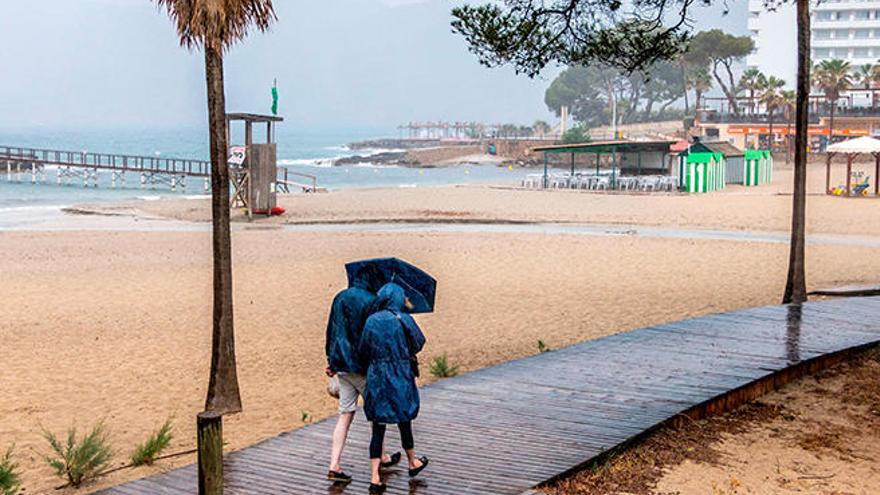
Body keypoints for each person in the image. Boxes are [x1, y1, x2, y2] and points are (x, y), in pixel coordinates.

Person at [325, 265, 399, 483]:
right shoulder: (371, 301)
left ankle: (334, 463)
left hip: (341, 365)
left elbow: (331, 330)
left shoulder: (340, 297)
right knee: (377, 414)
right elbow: (373, 336)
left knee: (345, 414)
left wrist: (330, 361)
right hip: (362, 367)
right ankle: (380, 462)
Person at [359, 283, 430, 494]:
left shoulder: (371, 320)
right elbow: (419, 341)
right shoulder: (403, 318)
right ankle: (412, 461)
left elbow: (363, 348)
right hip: (399, 373)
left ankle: (374, 476)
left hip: (378, 375)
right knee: (404, 418)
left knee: (378, 425)